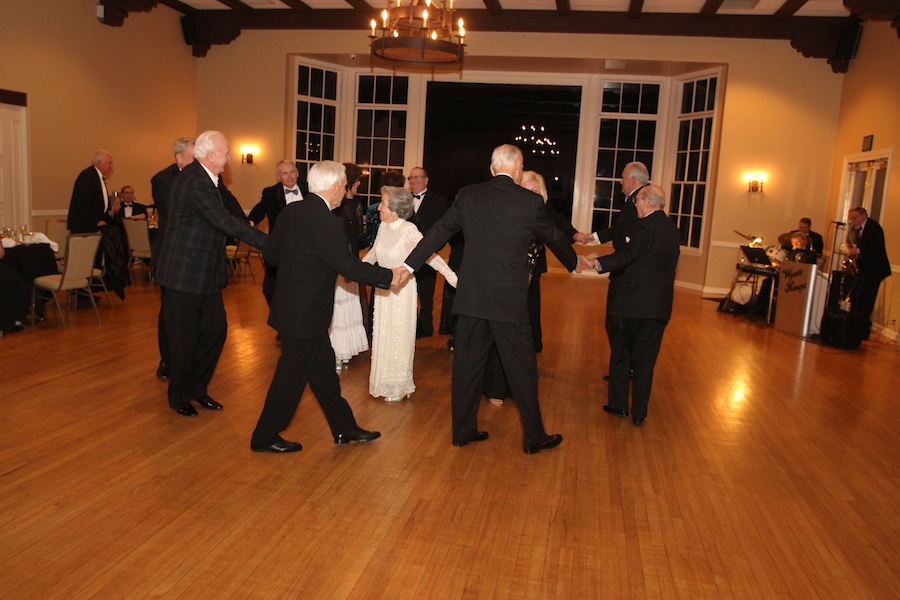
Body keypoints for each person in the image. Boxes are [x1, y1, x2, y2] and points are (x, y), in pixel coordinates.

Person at [400, 144, 579, 454]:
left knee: (467, 368)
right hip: (508, 302)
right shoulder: (530, 201)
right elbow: (554, 237)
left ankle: (462, 431)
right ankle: (534, 436)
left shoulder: (469, 195)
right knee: (521, 369)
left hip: (472, 299)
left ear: (493, 168)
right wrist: (576, 262)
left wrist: (408, 265)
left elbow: (438, 232)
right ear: (519, 167)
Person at [250, 161, 398, 453]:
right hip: (305, 315)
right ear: (333, 187)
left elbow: (272, 256)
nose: (344, 191)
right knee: (289, 381)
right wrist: (389, 277)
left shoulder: (292, 211)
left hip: (297, 311)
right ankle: (264, 436)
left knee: (324, 374)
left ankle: (344, 428)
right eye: (343, 186)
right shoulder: (329, 222)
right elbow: (349, 269)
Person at [155, 131, 267, 417]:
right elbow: (222, 221)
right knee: (184, 338)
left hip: (203, 272)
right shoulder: (195, 180)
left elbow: (231, 217)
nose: (230, 158)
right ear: (210, 154)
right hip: (184, 272)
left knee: (215, 331)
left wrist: (259, 235)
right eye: (226, 152)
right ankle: (179, 395)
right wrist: (267, 243)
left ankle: (197, 388)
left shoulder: (208, 179)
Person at [580, 184, 680, 427]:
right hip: (659, 308)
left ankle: (619, 405)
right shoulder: (673, 229)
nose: (634, 204)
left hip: (633, 304)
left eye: (638, 201)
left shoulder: (643, 226)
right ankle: (639, 413)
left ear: (647, 202)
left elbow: (628, 256)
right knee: (646, 361)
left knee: (622, 355)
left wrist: (596, 263)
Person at [483, 170, 577, 406]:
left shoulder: (539, 212)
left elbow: (557, 234)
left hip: (530, 280)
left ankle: (521, 385)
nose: (531, 193)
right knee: (503, 332)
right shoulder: (506, 210)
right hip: (506, 280)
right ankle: (496, 387)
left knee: (525, 332)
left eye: (535, 190)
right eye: (526, 188)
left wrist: (576, 256)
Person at [364, 186, 457, 402]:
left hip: (401, 293)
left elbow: (431, 257)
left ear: (395, 208)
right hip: (382, 290)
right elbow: (373, 254)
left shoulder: (409, 231)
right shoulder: (383, 227)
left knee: (398, 336)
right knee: (383, 335)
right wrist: (353, 271)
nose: (379, 208)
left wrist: (454, 279)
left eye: (384, 203)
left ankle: (398, 384)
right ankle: (383, 381)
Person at [580, 162, 650, 382]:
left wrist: (598, 263)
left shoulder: (641, 202)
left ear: (633, 180)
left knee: (617, 322)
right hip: (622, 269)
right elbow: (618, 229)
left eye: (622, 178)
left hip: (626, 272)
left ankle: (624, 368)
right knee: (615, 321)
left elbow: (632, 246)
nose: (620, 182)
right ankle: (624, 367)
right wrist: (592, 237)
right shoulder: (632, 201)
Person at [150, 136, 195, 380]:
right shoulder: (162, 180)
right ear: (179, 158)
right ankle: (167, 360)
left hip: (194, 257)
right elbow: (175, 214)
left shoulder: (203, 179)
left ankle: (188, 361)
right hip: (171, 254)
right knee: (169, 312)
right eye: (193, 157)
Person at [248, 160, 308, 308]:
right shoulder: (270, 193)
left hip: (306, 248)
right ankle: (280, 320)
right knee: (270, 288)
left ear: (297, 173)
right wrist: (250, 221)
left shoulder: (309, 190)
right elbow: (260, 209)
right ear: (278, 176)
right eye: (285, 173)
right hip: (281, 248)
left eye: (292, 172)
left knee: (302, 287)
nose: (289, 176)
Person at [329, 163, 368, 370]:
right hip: (342, 263)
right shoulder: (339, 208)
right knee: (338, 308)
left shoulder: (354, 204)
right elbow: (342, 239)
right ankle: (336, 352)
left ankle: (346, 351)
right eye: (357, 179)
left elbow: (357, 239)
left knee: (350, 305)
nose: (360, 183)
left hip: (351, 260)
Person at [407, 167, 449, 338]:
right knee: (407, 293)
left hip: (428, 255)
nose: (413, 181)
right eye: (410, 178)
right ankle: (411, 328)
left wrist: (433, 249)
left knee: (426, 294)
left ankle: (426, 329)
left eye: (417, 177)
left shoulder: (438, 201)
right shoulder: (404, 199)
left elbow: (443, 229)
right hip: (405, 255)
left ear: (426, 180)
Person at [846, 206, 891, 325]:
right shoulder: (860, 229)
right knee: (855, 296)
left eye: (854, 218)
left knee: (865, 300)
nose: (852, 222)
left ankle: (860, 327)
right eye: (851, 219)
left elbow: (875, 249)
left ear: (863, 215)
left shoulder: (873, 228)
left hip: (874, 270)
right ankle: (853, 324)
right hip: (865, 270)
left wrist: (858, 251)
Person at [67, 150, 114, 234]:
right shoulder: (87, 176)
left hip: (92, 225)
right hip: (85, 226)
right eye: (109, 163)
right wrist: (95, 221)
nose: (111, 166)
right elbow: (83, 202)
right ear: (100, 163)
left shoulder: (96, 176)